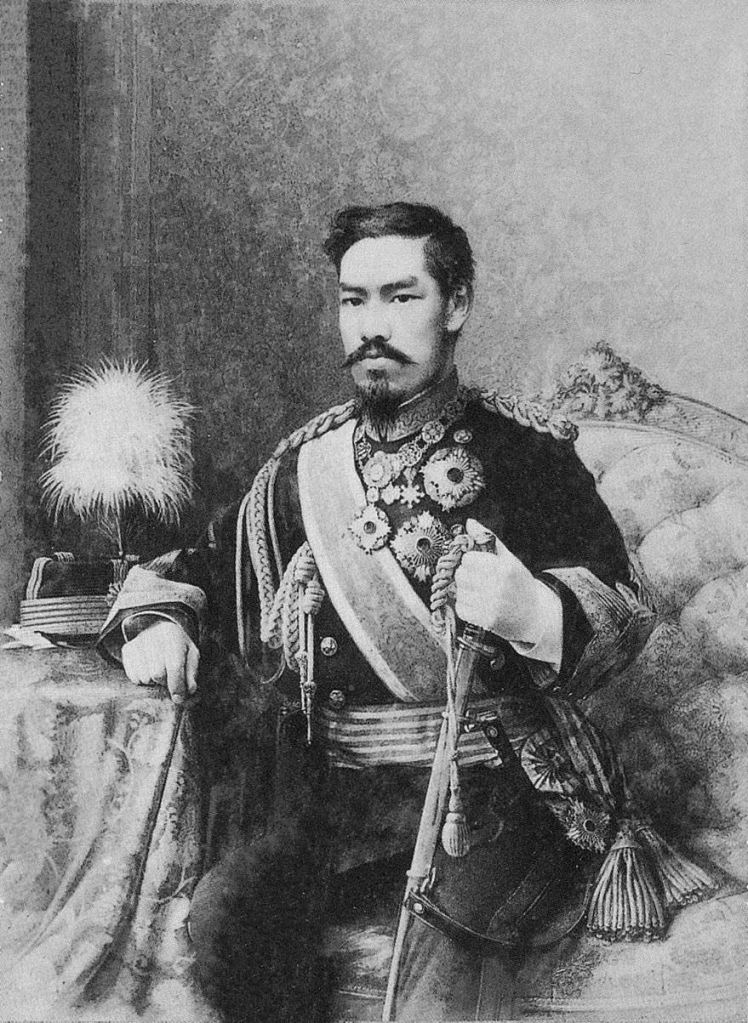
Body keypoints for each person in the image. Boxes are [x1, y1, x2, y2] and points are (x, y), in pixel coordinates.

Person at [99, 203, 715, 1022]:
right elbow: (201, 570)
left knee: (443, 944)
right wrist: (160, 619)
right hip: (342, 802)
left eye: (400, 296)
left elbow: (626, 607)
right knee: (228, 920)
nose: (372, 326)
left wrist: (532, 608)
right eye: (353, 300)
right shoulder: (300, 469)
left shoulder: (525, 453)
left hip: (501, 795)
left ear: (455, 305)